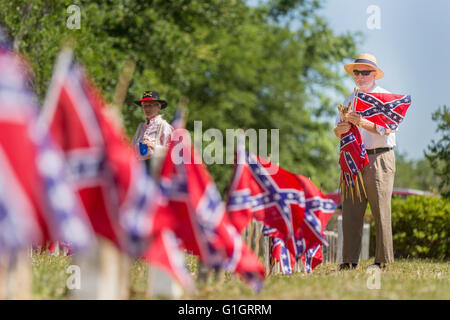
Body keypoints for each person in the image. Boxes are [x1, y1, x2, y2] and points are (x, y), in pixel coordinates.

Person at [333, 53, 395, 270]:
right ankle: (349, 261)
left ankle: (382, 261)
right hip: (353, 158)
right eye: (356, 72)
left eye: (365, 72)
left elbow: (387, 128)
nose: (360, 76)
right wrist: (339, 129)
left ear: (375, 74)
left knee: (381, 210)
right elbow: (337, 128)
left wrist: (363, 122)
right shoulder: (349, 99)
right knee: (350, 209)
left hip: (379, 156)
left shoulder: (386, 98)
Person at [132, 91, 173, 161]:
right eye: (145, 105)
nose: (147, 109)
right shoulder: (141, 126)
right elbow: (132, 148)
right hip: (140, 166)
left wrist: (153, 146)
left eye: (150, 105)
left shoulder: (164, 126)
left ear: (159, 106)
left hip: (155, 167)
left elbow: (171, 152)